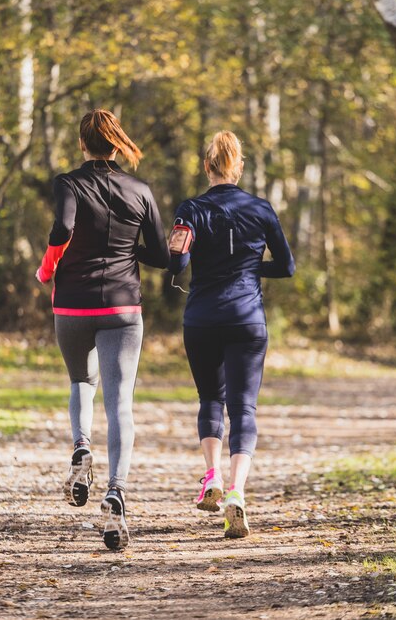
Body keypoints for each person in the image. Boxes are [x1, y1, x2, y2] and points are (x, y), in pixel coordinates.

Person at [36, 109, 169, 550]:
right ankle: (116, 490)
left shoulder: (67, 184)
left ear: (82, 144)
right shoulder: (140, 190)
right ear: (116, 145)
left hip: (72, 305)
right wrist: (128, 250)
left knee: (80, 381)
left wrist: (46, 268)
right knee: (120, 402)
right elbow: (162, 255)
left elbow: (63, 228)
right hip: (123, 308)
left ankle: (80, 447)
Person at [168, 131, 295, 538]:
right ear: (238, 167)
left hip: (202, 318)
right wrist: (248, 269)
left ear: (207, 166)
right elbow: (287, 267)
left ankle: (212, 478)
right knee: (244, 409)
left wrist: (183, 253)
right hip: (247, 319)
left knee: (210, 399)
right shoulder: (260, 209)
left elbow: (177, 264)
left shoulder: (191, 209)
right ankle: (237, 493)